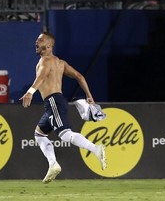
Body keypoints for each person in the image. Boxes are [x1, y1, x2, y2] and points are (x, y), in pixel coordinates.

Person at [19, 32, 106, 184]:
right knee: (39, 134)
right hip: (55, 102)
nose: (36, 42)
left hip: (53, 101)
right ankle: (53, 164)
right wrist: (89, 96)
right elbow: (79, 76)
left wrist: (30, 92)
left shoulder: (45, 60)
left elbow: (41, 76)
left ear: (50, 45)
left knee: (65, 134)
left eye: (40, 40)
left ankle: (96, 149)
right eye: (37, 39)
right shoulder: (60, 62)